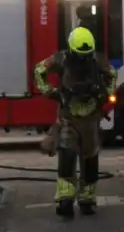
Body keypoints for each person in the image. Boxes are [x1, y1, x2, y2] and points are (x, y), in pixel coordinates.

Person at [34, 26, 116, 217]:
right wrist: (52, 93)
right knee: (67, 157)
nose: (83, 59)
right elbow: (39, 70)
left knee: (90, 160)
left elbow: (111, 74)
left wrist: (104, 95)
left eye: (86, 55)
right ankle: (65, 200)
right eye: (80, 55)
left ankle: (87, 199)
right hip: (68, 118)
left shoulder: (97, 60)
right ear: (71, 50)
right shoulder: (61, 59)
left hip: (91, 119)